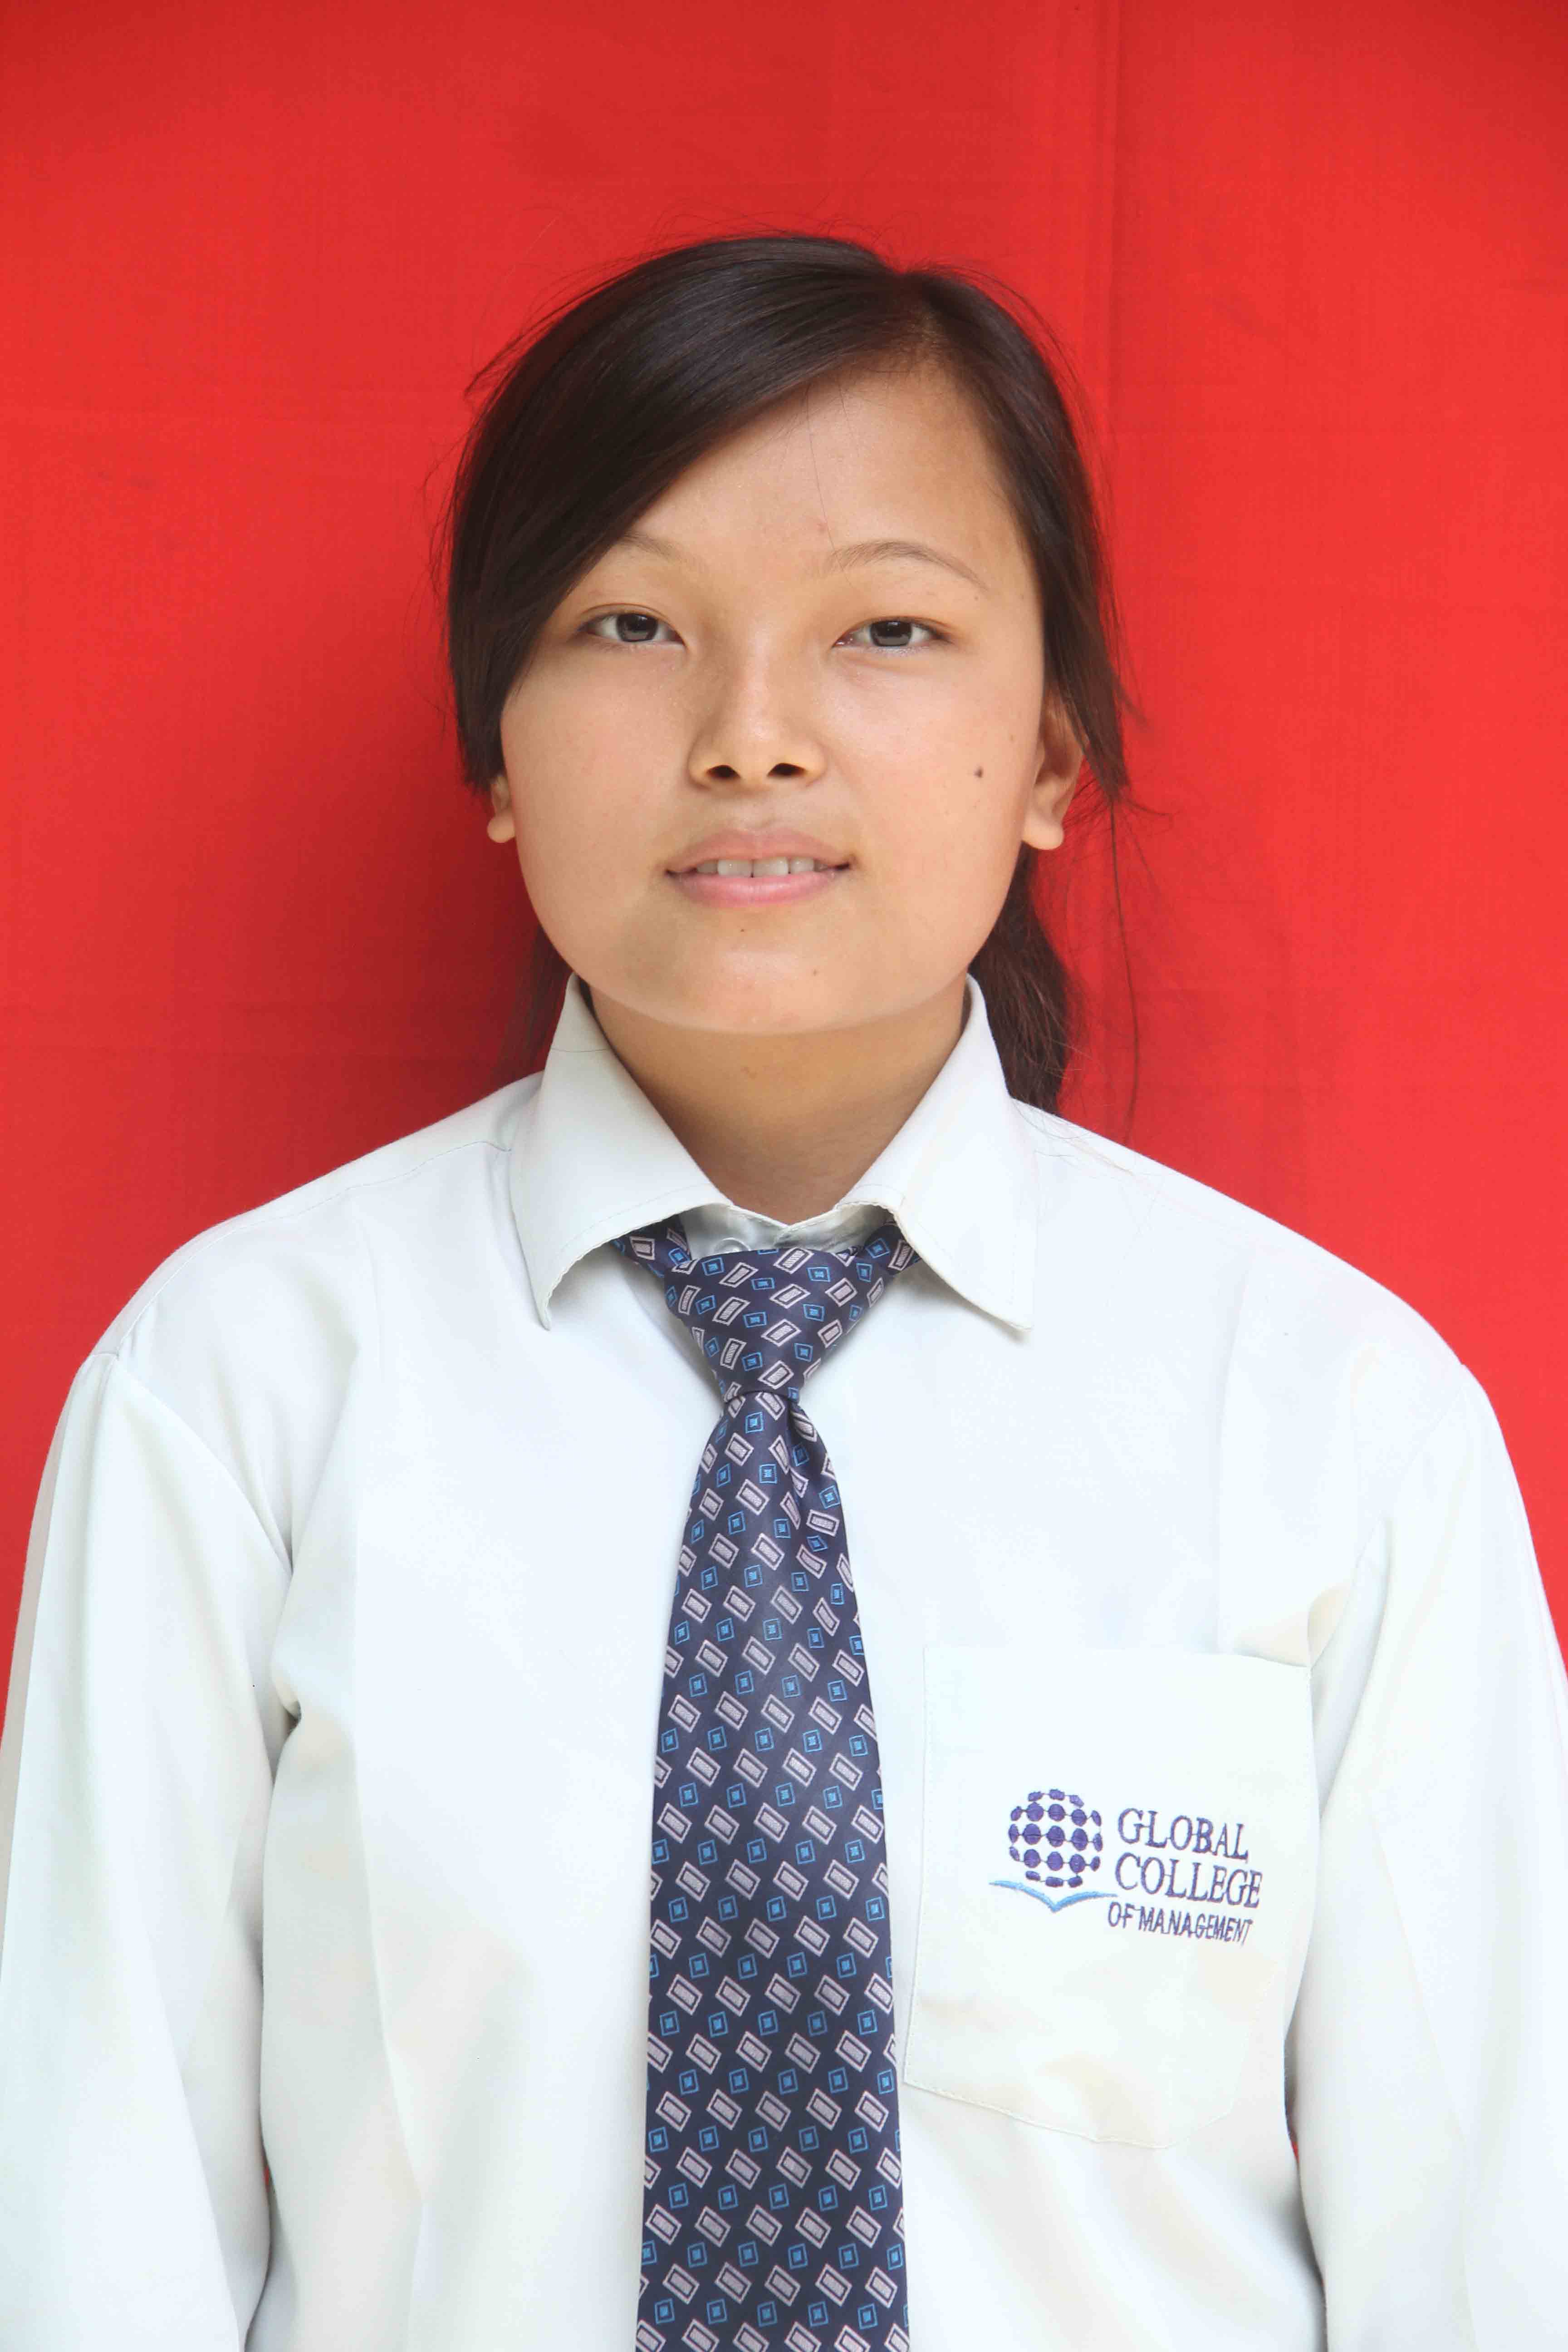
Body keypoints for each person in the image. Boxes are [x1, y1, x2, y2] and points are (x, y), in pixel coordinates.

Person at [0, 231, 1563, 2352]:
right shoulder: (241, 1386)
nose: (751, 737)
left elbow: (1487, 2245)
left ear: (1052, 753)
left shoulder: (1331, 1419)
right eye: (632, 624)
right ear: (496, 749)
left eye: (888, 629)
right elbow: (97, 2231)